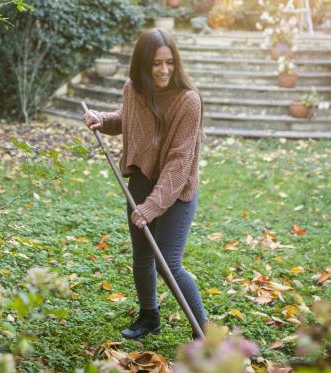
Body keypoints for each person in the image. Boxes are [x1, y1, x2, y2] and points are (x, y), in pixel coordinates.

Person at [82, 28, 208, 340]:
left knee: (168, 263)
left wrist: (152, 206)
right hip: (140, 180)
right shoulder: (133, 89)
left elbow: (179, 162)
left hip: (176, 190)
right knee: (142, 256)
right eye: (156, 64)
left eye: (169, 62)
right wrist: (104, 120)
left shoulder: (188, 101)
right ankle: (149, 316)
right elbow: (129, 119)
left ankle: (204, 331)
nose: (164, 70)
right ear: (142, 65)